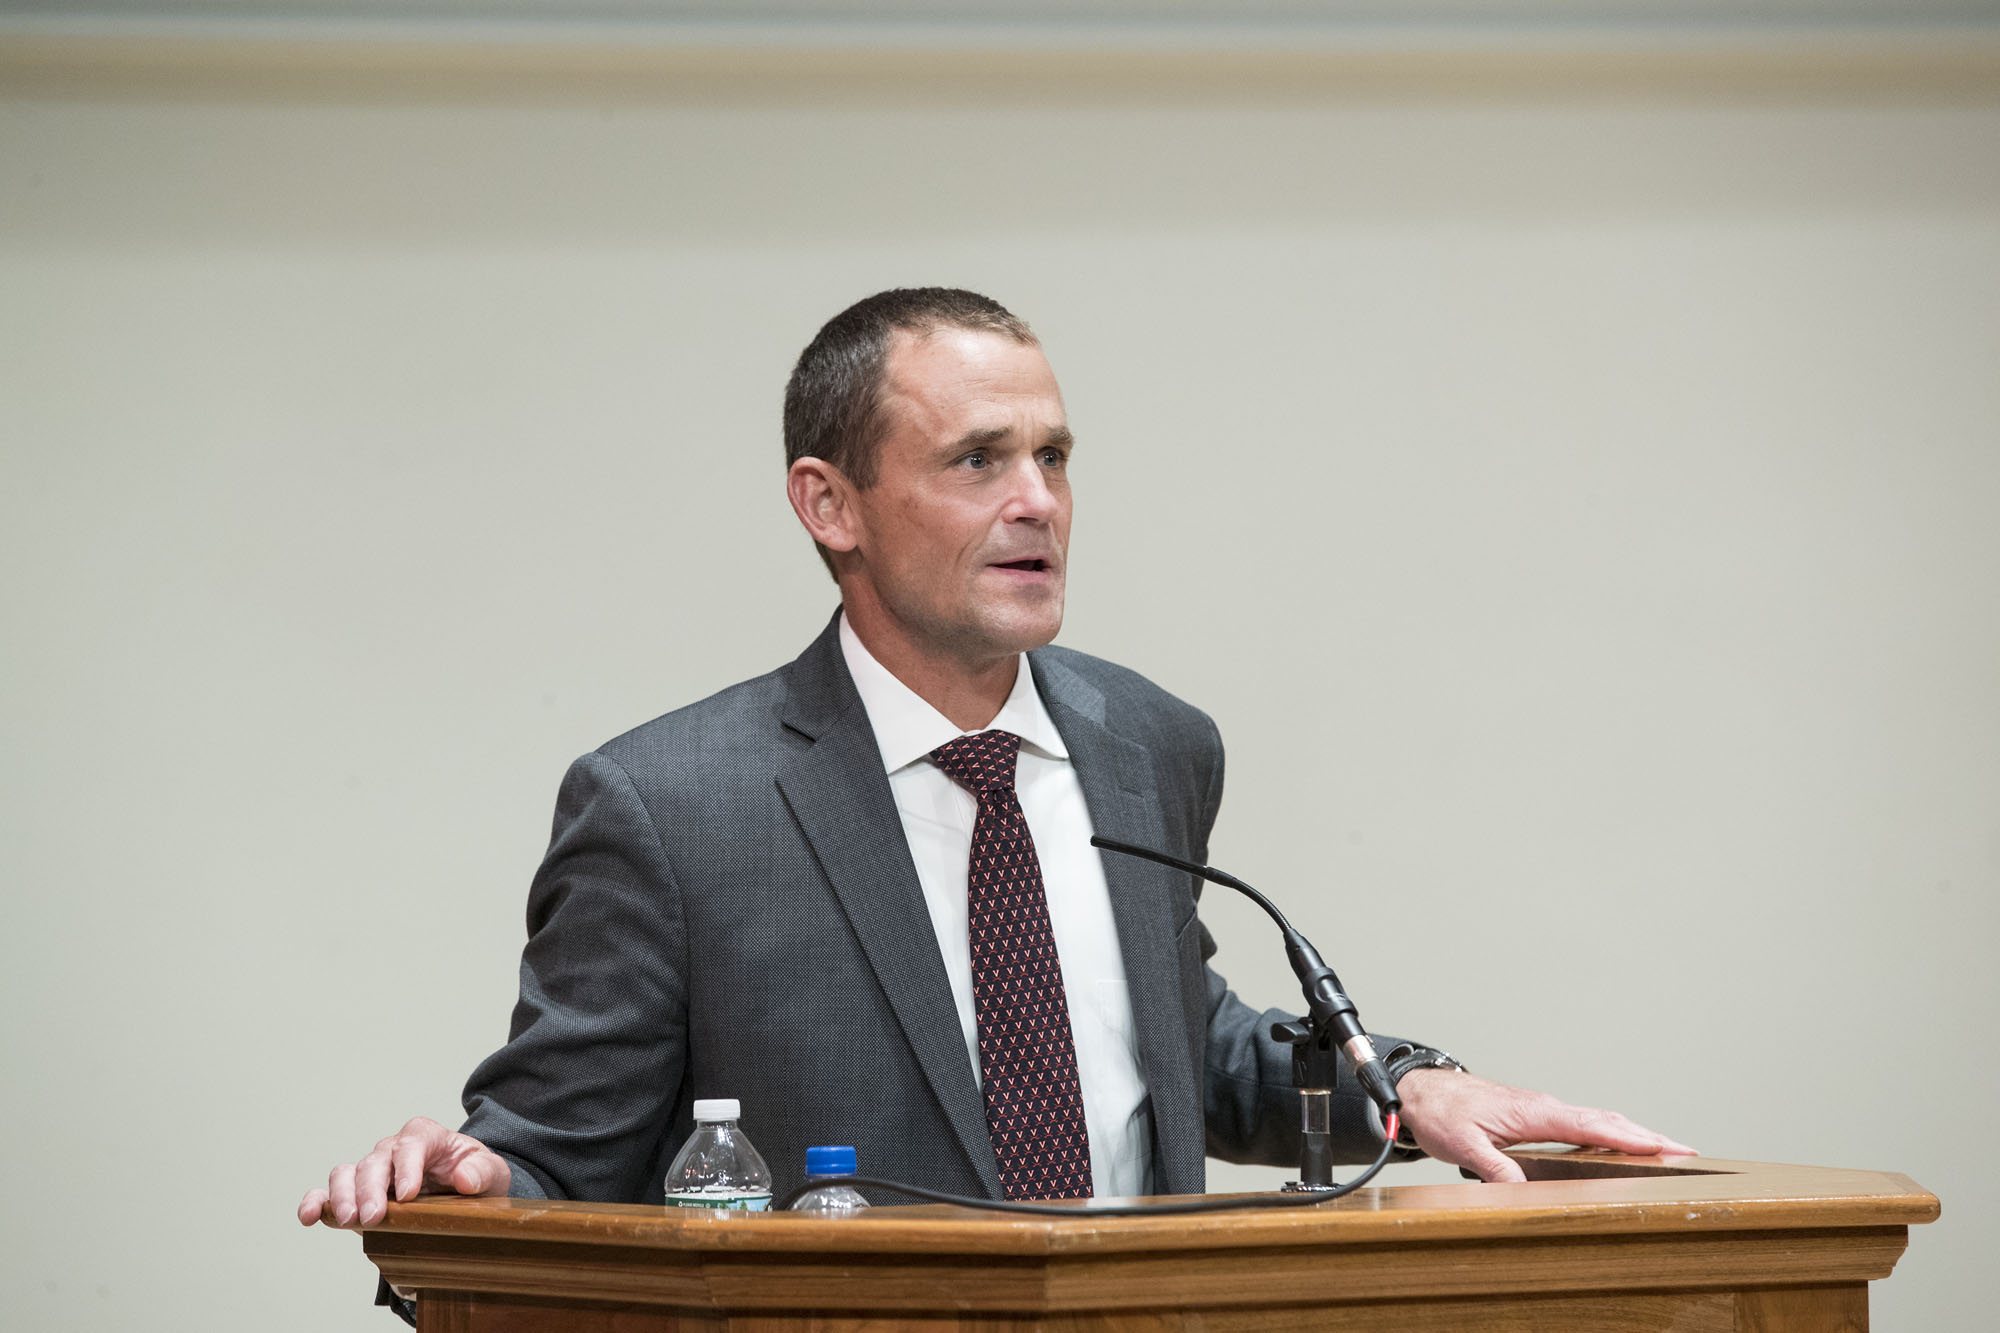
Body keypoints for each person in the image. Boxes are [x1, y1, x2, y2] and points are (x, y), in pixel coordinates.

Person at [300, 288, 1691, 1237]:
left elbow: (1168, 1041)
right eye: (978, 458)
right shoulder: (671, 806)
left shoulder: (1152, 741)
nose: (1037, 500)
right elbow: (552, 1154)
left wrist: (1412, 1082)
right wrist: (475, 1186)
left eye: (1054, 455)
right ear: (828, 503)